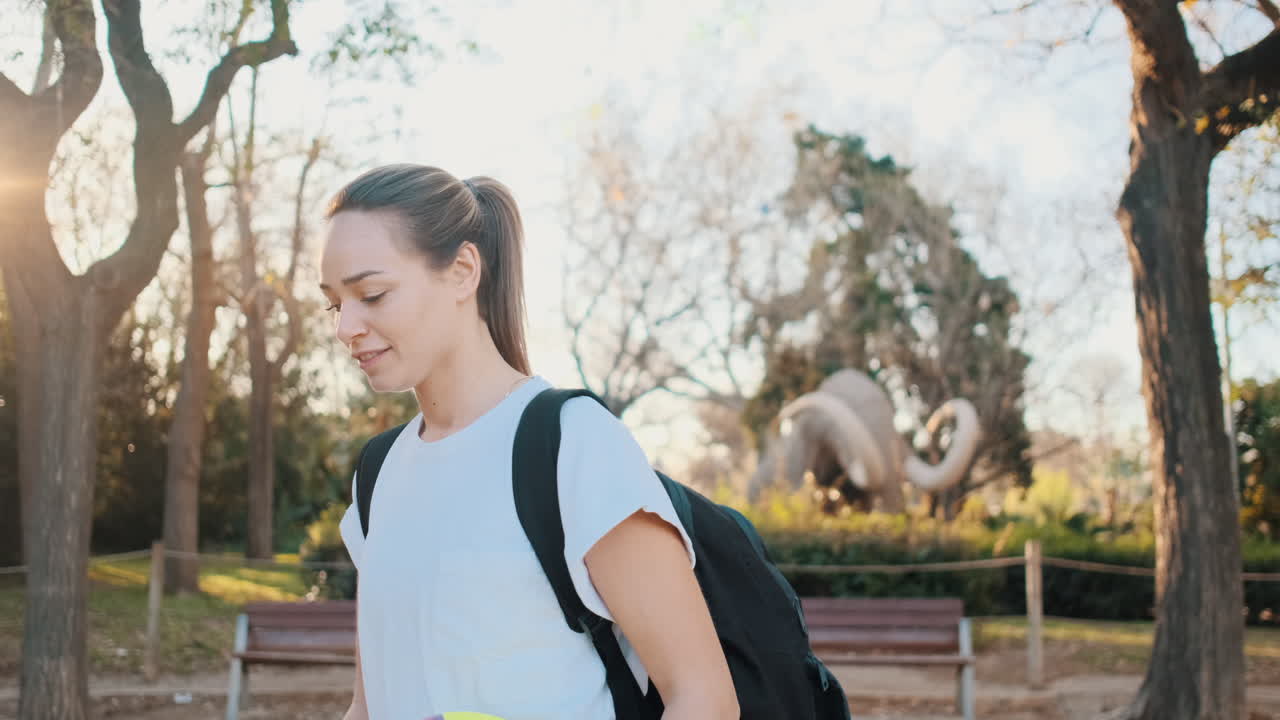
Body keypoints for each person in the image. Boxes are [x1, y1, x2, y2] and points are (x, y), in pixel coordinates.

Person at [318, 164, 739, 720]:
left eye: (372, 294)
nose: (346, 326)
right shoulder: (377, 474)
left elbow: (704, 698)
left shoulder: (572, 444)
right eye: (333, 303)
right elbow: (370, 705)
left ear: (464, 270)